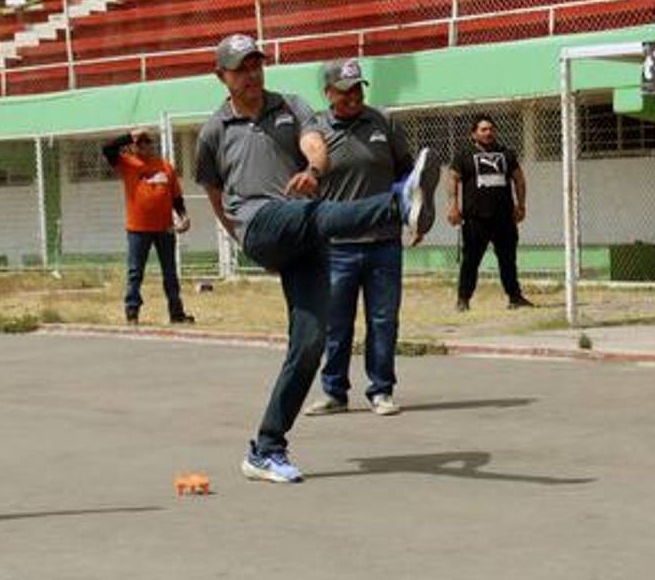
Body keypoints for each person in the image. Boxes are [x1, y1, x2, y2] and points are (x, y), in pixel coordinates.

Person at [195, 34, 440, 483]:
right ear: (221, 76)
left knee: (309, 345)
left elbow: (315, 143)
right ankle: (397, 206)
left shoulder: (291, 105)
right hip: (259, 221)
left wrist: (312, 170)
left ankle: (266, 449)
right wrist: (239, 236)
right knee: (314, 214)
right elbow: (213, 190)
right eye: (240, 68)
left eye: (255, 64)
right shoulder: (214, 130)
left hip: (304, 228)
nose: (251, 74)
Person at [302, 58, 414, 419]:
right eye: (345, 90)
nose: (353, 96)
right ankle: (334, 391)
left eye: (358, 88)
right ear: (328, 93)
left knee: (383, 320)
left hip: (383, 242)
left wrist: (411, 212)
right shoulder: (315, 129)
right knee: (336, 322)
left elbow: (409, 175)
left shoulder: (383, 123)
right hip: (336, 246)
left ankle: (381, 390)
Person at [101, 128, 194, 326]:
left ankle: (176, 313)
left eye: (147, 142)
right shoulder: (127, 163)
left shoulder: (165, 167)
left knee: (170, 272)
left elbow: (176, 197)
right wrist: (129, 136)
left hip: (165, 228)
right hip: (138, 229)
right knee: (135, 272)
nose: (144, 145)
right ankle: (132, 312)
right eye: (140, 142)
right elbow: (107, 148)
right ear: (134, 146)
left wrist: (184, 217)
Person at [447, 114, 534, 312]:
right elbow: (452, 179)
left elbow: (519, 179)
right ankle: (463, 300)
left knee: (508, 260)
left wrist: (521, 205)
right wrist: (453, 206)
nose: (488, 133)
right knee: (470, 261)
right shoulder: (464, 155)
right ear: (474, 134)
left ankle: (515, 297)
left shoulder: (506, 154)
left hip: (504, 218)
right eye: (483, 129)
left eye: (491, 129)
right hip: (475, 219)